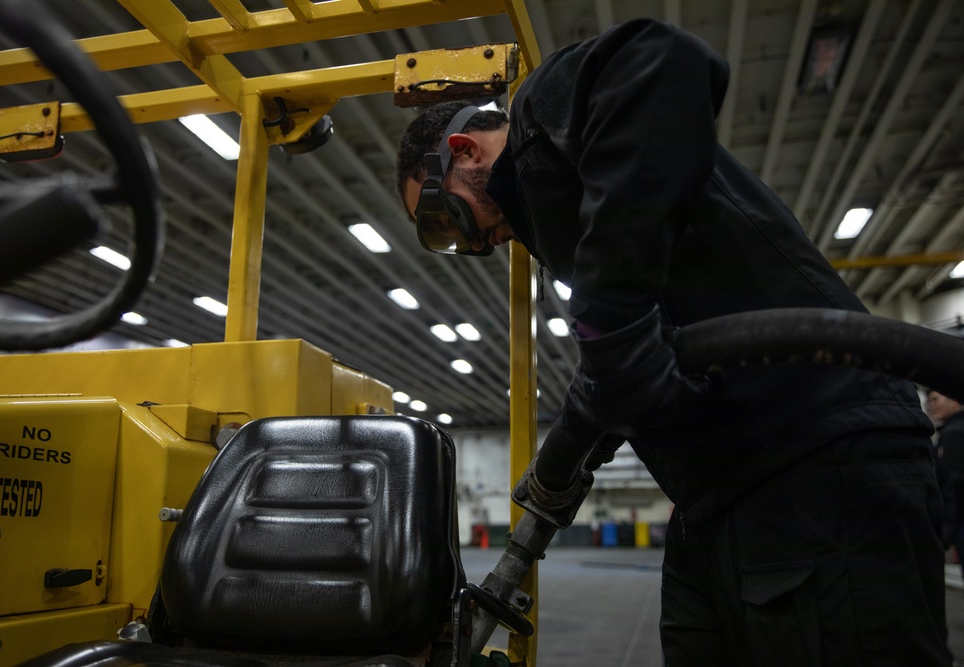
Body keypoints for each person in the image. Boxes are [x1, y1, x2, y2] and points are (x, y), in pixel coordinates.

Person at [395, 18, 948, 667]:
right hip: (721, 497)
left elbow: (664, 61)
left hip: (818, 463)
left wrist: (611, 317)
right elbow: (630, 355)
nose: (468, 241)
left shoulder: (541, 117)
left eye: (443, 217)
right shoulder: (567, 217)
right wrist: (563, 463)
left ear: (463, 150)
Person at [928, 389, 964, 575]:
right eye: (929, 401)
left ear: (955, 401)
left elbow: (954, 484)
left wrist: (947, 530)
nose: (931, 405)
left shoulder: (953, 433)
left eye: (936, 399)